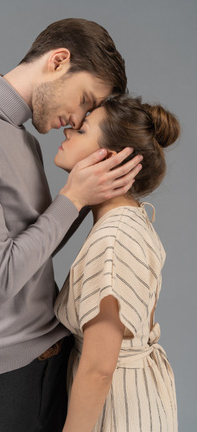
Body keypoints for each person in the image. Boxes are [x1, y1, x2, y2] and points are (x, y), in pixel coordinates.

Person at [0, 18, 142, 432]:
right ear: (58, 61)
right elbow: (0, 277)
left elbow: (30, 253)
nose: (78, 120)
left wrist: (92, 196)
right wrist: (73, 197)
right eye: (86, 100)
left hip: (50, 367)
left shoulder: (24, 139)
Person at [54, 93, 180, 432]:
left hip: (117, 410)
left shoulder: (114, 237)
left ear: (108, 159)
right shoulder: (128, 219)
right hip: (131, 400)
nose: (67, 130)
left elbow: (99, 367)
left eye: (81, 132)